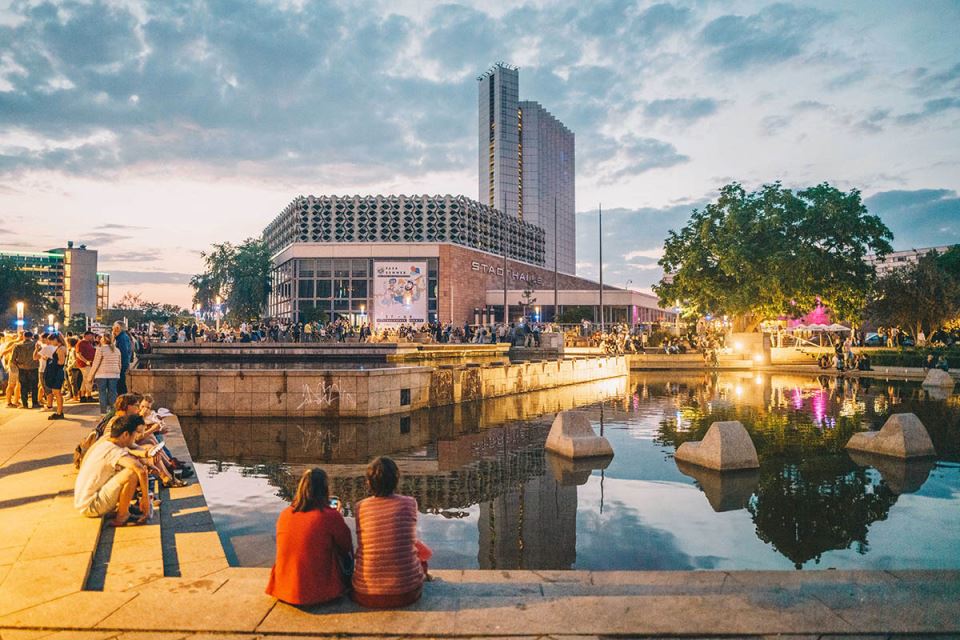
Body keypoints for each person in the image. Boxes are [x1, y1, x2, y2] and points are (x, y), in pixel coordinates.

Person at [266, 468, 353, 606]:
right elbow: (346, 546)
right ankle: (349, 585)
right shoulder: (330, 516)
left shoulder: (285, 514)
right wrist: (337, 518)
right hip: (320, 593)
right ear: (324, 489)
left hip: (283, 590)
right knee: (345, 553)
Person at [351, 457, 431, 609]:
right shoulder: (410, 503)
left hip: (364, 594)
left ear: (369, 482)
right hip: (407, 593)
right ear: (396, 480)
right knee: (417, 549)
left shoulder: (360, 507)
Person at [74, 414, 151, 527]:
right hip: (90, 505)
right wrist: (146, 499)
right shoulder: (112, 450)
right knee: (132, 473)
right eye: (135, 434)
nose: (136, 438)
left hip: (85, 501)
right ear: (125, 434)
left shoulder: (106, 443)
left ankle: (124, 509)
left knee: (131, 469)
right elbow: (140, 470)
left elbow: (133, 458)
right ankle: (122, 516)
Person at [90, 333, 122, 414]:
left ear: (103, 340)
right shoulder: (117, 350)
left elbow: (96, 363)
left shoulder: (100, 349)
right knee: (113, 393)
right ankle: (113, 412)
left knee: (102, 393)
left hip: (102, 374)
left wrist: (90, 376)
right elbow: (119, 364)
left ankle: (103, 413)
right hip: (114, 374)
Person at [12, 331, 40, 409]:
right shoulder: (36, 345)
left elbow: (13, 359)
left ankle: (25, 404)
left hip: (22, 368)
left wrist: (18, 365)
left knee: (23, 386)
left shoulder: (17, 346)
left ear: (24, 336)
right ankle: (35, 403)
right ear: (32, 336)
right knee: (34, 386)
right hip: (34, 368)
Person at [43, 333, 67, 420]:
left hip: (58, 373)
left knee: (57, 393)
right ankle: (59, 412)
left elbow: (61, 362)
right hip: (56, 372)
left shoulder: (61, 349)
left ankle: (60, 412)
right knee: (56, 392)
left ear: (57, 340)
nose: (51, 342)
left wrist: (51, 359)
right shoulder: (60, 348)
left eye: (52, 340)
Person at [113, 322, 133, 394]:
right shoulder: (123, 337)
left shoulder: (122, 338)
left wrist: (121, 364)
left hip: (121, 364)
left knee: (121, 384)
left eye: (114, 327)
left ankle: (122, 400)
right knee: (121, 383)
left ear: (118, 328)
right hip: (122, 363)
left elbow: (123, 352)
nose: (113, 329)